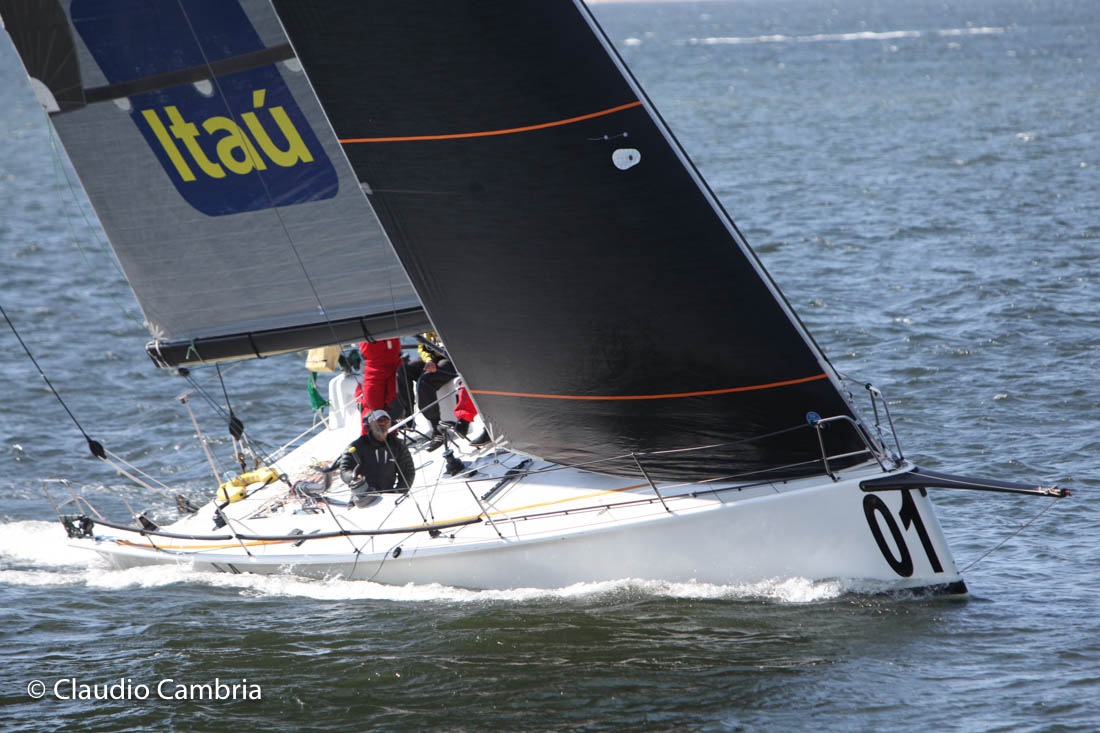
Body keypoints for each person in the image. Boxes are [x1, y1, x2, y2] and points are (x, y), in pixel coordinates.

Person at [338, 409, 415, 506]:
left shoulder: (398, 446)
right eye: (379, 421)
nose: (383, 423)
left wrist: (398, 492)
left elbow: (408, 472)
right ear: (370, 424)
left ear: (390, 424)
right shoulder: (357, 446)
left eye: (386, 421)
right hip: (363, 498)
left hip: (389, 498)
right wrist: (353, 477)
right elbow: (344, 470)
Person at [354, 338, 403, 433]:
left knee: (394, 404)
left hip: (394, 365)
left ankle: (392, 435)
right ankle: (368, 437)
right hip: (372, 367)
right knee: (371, 407)